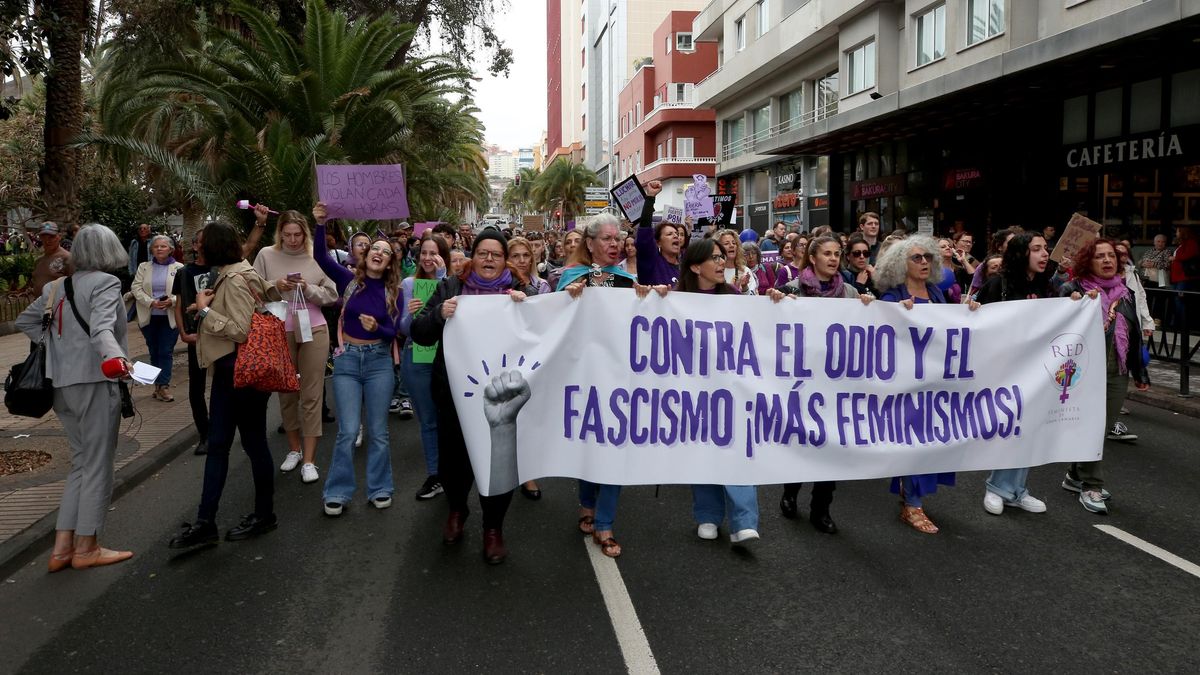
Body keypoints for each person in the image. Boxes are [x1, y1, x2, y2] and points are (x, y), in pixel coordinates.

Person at [17, 224, 133, 571]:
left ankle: (62, 548)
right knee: (98, 464)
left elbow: (27, 321)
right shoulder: (107, 283)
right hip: (95, 381)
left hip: (60, 384)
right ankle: (87, 547)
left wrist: (60, 347)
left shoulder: (56, 287)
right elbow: (100, 329)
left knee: (81, 463)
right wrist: (117, 361)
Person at [411, 228, 529, 564]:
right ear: (472, 258)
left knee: (498, 463)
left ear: (504, 259)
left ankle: (493, 529)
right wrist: (439, 314)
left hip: (501, 398)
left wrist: (526, 310)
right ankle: (457, 509)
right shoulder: (450, 288)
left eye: (495, 254)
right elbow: (419, 334)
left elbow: (543, 332)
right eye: (483, 253)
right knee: (454, 461)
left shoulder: (521, 290)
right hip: (455, 394)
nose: (489, 259)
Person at [169, 221, 279, 549]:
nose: (196, 248)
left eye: (201, 244)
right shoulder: (233, 272)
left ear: (215, 247)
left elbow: (240, 330)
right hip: (235, 373)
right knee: (226, 445)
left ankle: (259, 516)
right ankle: (210, 521)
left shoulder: (235, 278)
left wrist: (203, 312)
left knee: (246, 443)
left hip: (240, 373)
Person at [558, 214, 662, 558]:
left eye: (618, 238)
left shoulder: (626, 280)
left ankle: (604, 523)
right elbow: (549, 321)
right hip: (584, 378)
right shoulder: (571, 279)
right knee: (591, 444)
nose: (615, 243)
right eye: (607, 238)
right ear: (590, 244)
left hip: (620, 380)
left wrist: (651, 297)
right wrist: (565, 299)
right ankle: (587, 504)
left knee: (615, 448)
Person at [768, 237, 874, 534]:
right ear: (812, 258)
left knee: (830, 446)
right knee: (802, 441)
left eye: (837, 254)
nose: (833, 258)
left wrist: (868, 304)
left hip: (837, 383)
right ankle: (790, 493)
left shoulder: (851, 292)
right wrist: (775, 302)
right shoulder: (793, 289)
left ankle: (821, 507)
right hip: (802, 381)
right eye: (826, 253)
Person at [875, 235, 980, 534]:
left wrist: (969, 313)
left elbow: (948, 329)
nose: (924, 262)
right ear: (900, 264)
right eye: (916, 258)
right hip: (905, 386)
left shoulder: (935, 291)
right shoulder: (892, 298)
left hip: (934, 383)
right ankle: (913, 505)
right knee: (915, 443)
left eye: (928, 257)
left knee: (930, 441)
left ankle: (910, 494)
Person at [311, 204, 401, 517]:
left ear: (390, 262)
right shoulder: (348, 280)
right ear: (365, 255)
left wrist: (379, 328)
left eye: (385, 251)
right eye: (374, 248)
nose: (378, 252)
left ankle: (379, 489)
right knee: (348, 431)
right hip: (348, 362)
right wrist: (320, 224)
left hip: (378, 363)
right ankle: (337, 492)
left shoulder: (394, 292)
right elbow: (320, 258)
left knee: (378, 432)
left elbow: (395, 333)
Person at [674, 238, 761, 545]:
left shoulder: (734, 295)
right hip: (693, 391)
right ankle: (708, 515)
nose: (722, 261)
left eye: (722, 256)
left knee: (736, 448)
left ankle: (744, 521)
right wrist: (651, 296)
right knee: (703, 451)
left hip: (731, 389)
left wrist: (776, 302)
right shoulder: (676, 299)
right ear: (696, 266)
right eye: (714, 258)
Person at [1059, 238, 1151, 513]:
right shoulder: (1073, 289)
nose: (1108, 261)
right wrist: (1070, 305)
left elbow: (1132, 336)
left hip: (1116, 371)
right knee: (1094, 429)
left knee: (1101, 427)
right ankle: (1091, 485)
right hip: (1084, 372)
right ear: (1089, 262)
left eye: (1111, 256)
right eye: (1100, 256)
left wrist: (1139, 371)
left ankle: (1075, 475)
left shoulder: (1126, 294)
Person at [252, 207, 339, 485]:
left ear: (305, 233)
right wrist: (275, 286)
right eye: (287, 235)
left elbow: (333, 294)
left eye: (298, 234)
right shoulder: (266, 255)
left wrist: (308, 289)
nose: (292, 240)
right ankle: (294, 449)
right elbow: (252, 291)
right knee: (287, 392)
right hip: (279, 330)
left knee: (312, 393)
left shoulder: (317, 255)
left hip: (314, 328)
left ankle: (310, 460)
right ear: (280, 234)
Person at [974, 233, 1053, 516]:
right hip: (1004, 371)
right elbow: (977, 324)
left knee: (1029, 430)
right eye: (1036, 249)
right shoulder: (998, 284)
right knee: (1009, 429)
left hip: (1037, 370)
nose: (1044, 254)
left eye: (1045, 249)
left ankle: (1018, 491)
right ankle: (996, 488)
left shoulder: (1046, 286)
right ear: (1021, 254)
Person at [400, 233, 451, 501]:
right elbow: (404, 329)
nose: (429, 258)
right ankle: (435, 474)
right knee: (428, 421)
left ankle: (454, 472)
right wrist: (411, 313)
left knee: (451, 420)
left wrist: (444, 279)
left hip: (446, 359)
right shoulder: (410, 283)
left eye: (435, 253)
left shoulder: (453, 283)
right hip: (417, 359)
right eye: (424, 253)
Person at [173, 231, 213, 455]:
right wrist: (183, 333)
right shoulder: (184, 272)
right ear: (194, 246)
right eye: (200, 242)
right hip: (194, 336)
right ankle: (204, 434)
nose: (204, 246)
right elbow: (178, 306)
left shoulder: (221, 269)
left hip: (219, 335)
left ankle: (219, 429)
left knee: (221, 385)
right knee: (196, 389)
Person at [131, 234, 183, 402]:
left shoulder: (179, 268)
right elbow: (136, 288)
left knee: (165, 351)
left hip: (170, 317)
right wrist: (151, 302)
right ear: (151, 249)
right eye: (156, 246)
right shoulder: (143, 267)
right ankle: (157, 386)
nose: (159, 249)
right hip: (149, 316)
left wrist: (172, 301)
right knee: (154, 351)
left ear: (171, 249)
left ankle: (164, 386)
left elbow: (185, 292)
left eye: (163, 246)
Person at [633, 180, 681, 287]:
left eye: (676, 233)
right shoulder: (652, 262)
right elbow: (644, 233)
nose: (675, 235)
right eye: (669, 234)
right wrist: (650, 197)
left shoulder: (687, 266)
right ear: (658, 242)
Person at [30, 222, 74, 298]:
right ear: (40, 238)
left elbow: (76, 285)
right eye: (44, 237)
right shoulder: (38, 261)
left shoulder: (67, 258)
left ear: (59, 237)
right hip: (39, 306)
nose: (48, 241)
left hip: (59, 307)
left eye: (51, 237)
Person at [714, 228, 756, 294]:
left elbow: (752, 300)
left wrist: (744, 287)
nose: (731, 246)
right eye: (726, 243)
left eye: (734, 243)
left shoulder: (745, 271)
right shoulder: (712, 271)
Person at [935, 238, 963, 303]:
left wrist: (963, 261)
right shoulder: (932, 271)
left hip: (958, 309)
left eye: (950, 246)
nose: (948, 248)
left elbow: (974, 282)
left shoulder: (959, 270)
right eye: (943, 247)